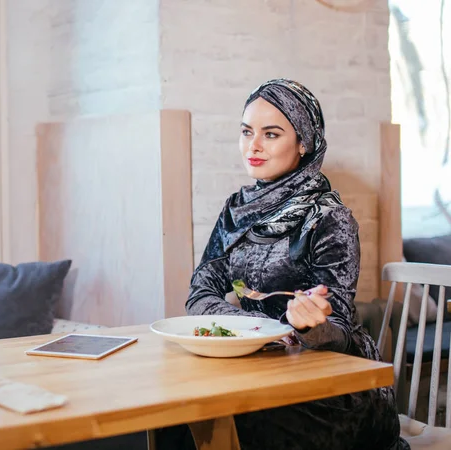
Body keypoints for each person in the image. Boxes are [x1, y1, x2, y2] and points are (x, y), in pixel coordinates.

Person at [157, 79, 408, 450]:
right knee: (172, 418)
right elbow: (199, 294)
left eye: (271, 134)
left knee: (232, 425)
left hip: (333, 392)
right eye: (247, 132)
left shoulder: (329, 218)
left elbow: (336, 329)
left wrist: (313, 325)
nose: (253, 146)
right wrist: (266, 330)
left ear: (304, 143)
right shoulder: (236, 210)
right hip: (262, 371)